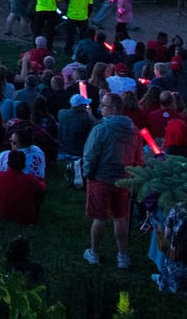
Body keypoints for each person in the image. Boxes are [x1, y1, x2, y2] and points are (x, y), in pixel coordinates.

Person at [81, 92, 140, 269]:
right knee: (120, 217)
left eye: (104, 106)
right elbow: (138, 156)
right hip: (123, 180)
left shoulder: (101, 129)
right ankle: (123, 256)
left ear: (113, 109)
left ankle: (94, 252)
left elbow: (90, 155)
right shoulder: (133, 130)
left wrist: (87, 174)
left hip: (101, 178)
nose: (100, 108)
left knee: (99, 218)